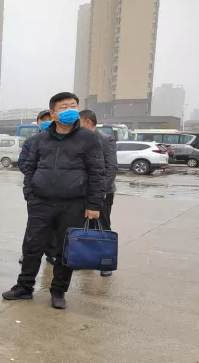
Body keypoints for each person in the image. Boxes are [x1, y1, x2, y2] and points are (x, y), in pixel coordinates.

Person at [2, 92, 105, 309]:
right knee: (32, 246)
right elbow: (29, 168)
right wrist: (30, 196)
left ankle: (58, 290)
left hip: (74, 204)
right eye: (64, 107)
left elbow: (97, 172)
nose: (70, 110)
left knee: (65, 249)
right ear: (53, 113)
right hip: (41, 203)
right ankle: (24, 287)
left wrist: (94, 205)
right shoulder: (41, 139)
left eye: (73, 106)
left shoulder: (88, 137)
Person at [79, 109, 118, 277]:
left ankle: (105, 262)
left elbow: (111, 168)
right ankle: (88, 259)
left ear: (88, 121)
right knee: (86, 228)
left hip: (103, 193)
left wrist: (100, 191)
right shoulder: (80, 139)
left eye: (79, 123)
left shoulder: (106, 139)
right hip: (83, 192)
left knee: (103, 226)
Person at [16, 110, 57, 266]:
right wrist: (37, 176)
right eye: (43, 119)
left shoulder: (60, 140)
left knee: (54, 224)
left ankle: (52, 253)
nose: (46, 122)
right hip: (36, 190)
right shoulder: (31, 141)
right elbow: (22, 163)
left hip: (56, 191)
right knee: (34, 225)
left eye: (49, 119)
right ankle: (27, 253)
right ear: (38, 122)